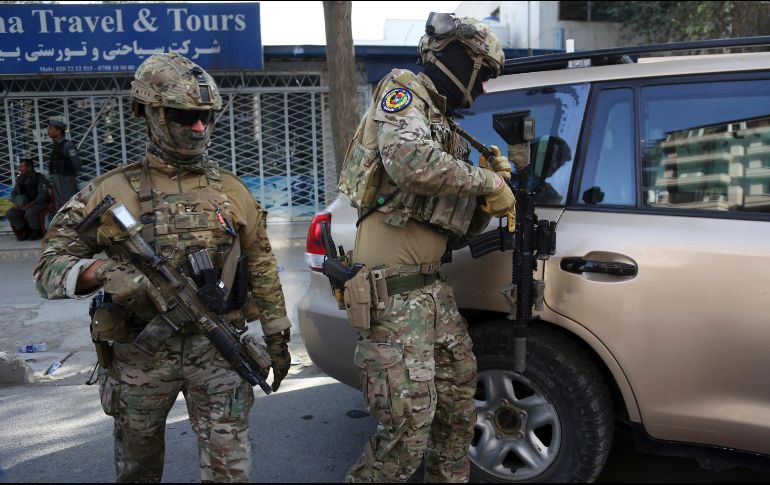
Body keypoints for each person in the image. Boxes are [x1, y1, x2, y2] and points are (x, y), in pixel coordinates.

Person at [33, 52, 292, 483]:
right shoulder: (109, 190)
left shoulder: (232, 190)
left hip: (219, 349)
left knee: (231, 470)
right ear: (151, 113)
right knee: (138, 467)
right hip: (140, 353)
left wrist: (278, 336)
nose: (198, 128)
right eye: (184, 116)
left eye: (207, 118)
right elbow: (48, 267)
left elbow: (262, 265)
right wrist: (103, 274)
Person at [337, 13, 516, 483]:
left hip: (432, 293)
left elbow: (455, 233)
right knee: (405, 433)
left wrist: (486, 198)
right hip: (392, 297)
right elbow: (410, 163)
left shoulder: (446, 129)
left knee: (458, 416)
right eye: (485, 74)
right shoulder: (403, 93)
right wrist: (487, 181)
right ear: (462, 59)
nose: (482, 90)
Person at [7, 158, 50, 241]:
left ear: (29, 167)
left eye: (22, 166)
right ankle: (24, 229)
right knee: (10, 213)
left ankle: (36, 231)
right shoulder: (20, 179)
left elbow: (42, 195)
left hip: (38, 203)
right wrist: (16, 203)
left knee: (30, 212)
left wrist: (31, 204)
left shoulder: (39, 178)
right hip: (23, 204)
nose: (20, 169)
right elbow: (14, 193)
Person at [47, 118, 82, 210]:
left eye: (51, 128)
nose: (48, 131)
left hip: (66, 179)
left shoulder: (67, 145)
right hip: (57, 179)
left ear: (58, 131)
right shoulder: (56, 145)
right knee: (61, 206)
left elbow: (77, 164)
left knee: (69, 203)